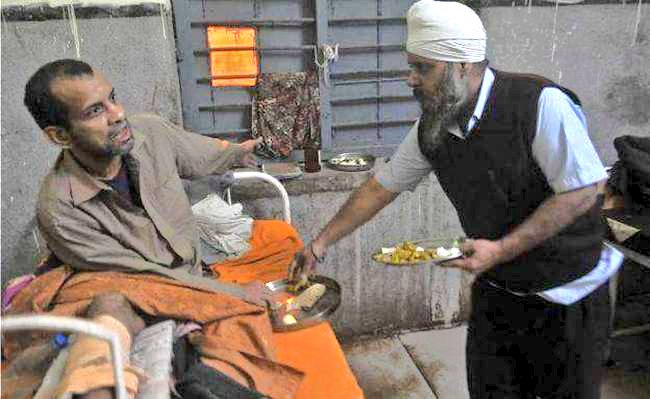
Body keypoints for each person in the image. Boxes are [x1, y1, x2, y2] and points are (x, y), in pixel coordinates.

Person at [295, 1, 623, 397]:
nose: (410, 79)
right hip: (499, 290)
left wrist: (500, 249)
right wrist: (320, 243)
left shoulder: (538, 103)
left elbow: (583, 190)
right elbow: (380, 187)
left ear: (463, 64)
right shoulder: (433, 126)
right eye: (411, 65)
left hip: (568, 295)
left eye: (423, 68)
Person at [24, 58, 274, 306]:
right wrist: (235, 294)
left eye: (113, 98)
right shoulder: (61, 211)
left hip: (196, 278)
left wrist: (239, 152)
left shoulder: (150, 132)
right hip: (147, 300)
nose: (118, 114)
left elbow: (201, 154)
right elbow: (143, 281)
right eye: (95, 111)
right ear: (60, 136)